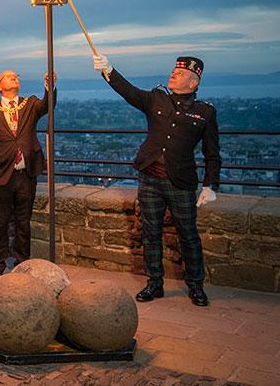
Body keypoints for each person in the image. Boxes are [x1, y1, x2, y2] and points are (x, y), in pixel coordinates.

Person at [94, 54, 220, 306]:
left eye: (181, 73)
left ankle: (196, 286)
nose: (174, 74)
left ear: (194, 82)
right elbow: (128, 91)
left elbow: (212, 153)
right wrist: (109, 70)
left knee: (188, 235)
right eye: (174, 70)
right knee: (150, 233)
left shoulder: (204, 112)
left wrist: (210, 185)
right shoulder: (156, 98)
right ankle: (154, 284)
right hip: (150, 178)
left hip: (180, 182)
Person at [0, 70, 57, 278]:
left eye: (17, 76)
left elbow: (47, 106)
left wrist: (50, 87)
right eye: (9, 76)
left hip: (26, 173)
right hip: (2, 174)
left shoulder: (30, 104)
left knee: (24, 221)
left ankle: (22, 261)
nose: (15, 77)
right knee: (0, 222)